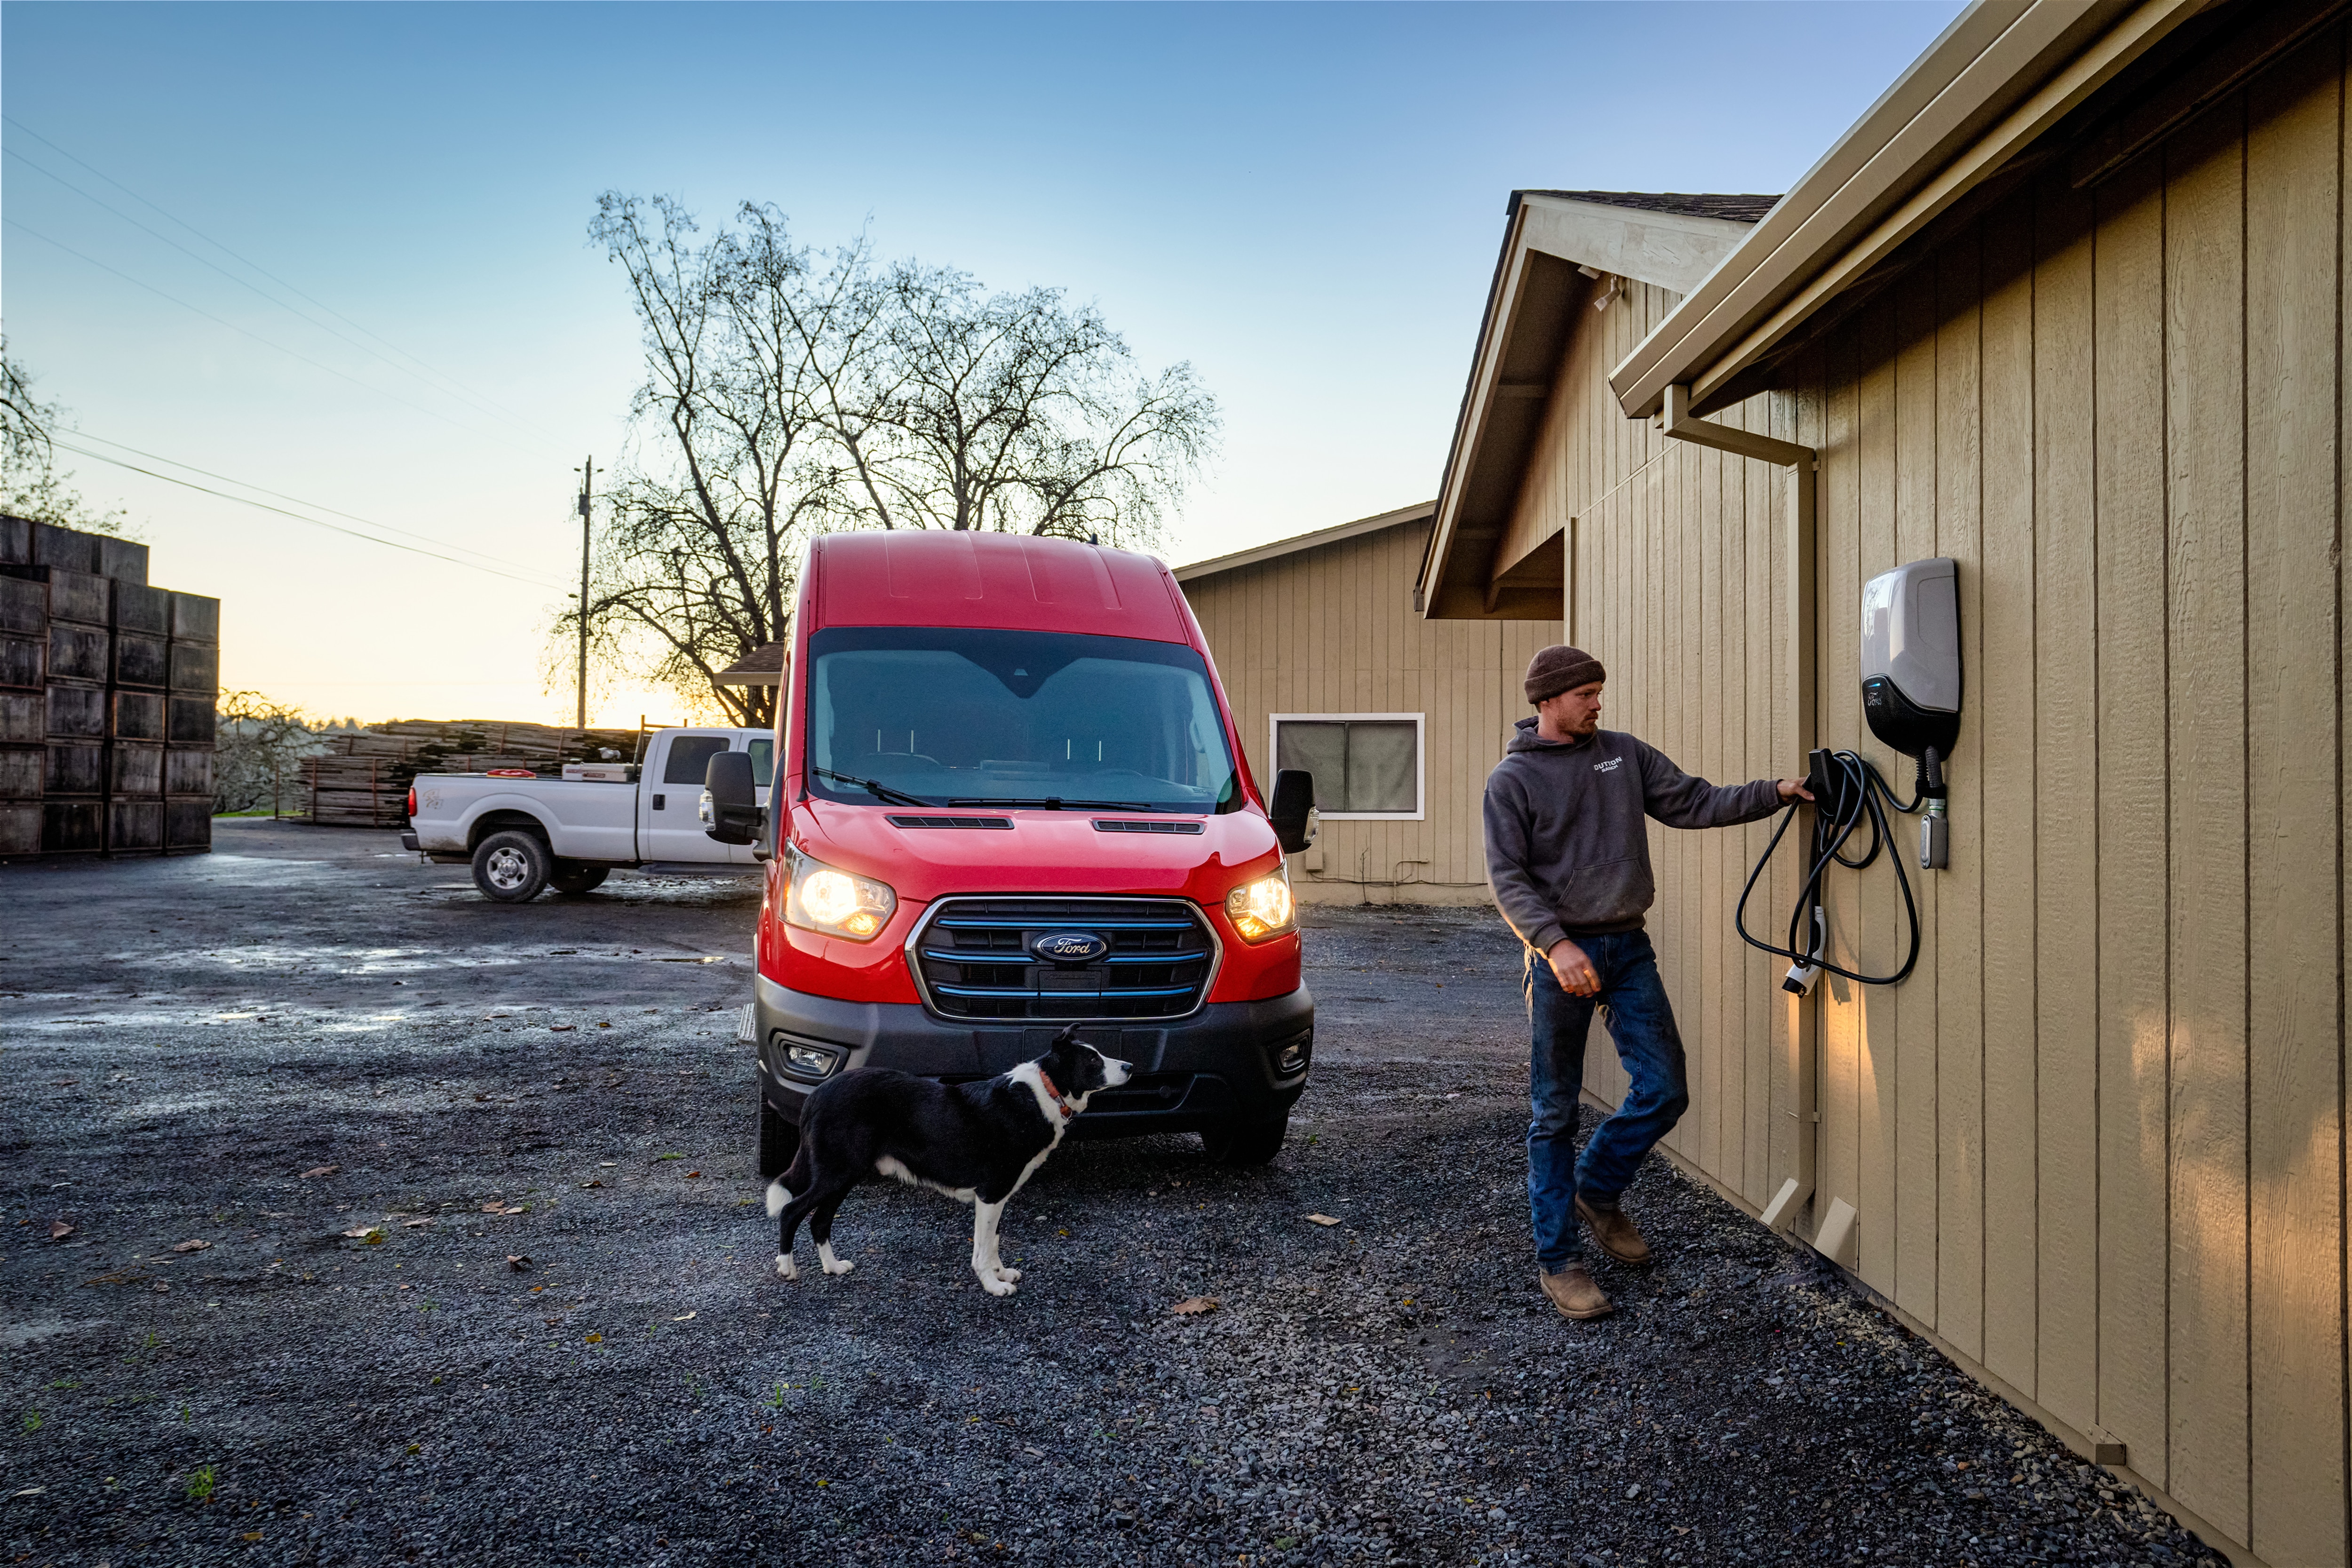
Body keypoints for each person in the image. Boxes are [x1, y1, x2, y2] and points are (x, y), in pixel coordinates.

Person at [1483, 645, 1812, 1321]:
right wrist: (1555, 945)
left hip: (1627, 946)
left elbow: (1695, 801)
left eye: (1598, 692)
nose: (1597, 704)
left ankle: (1597, 1189)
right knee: (1554, 1114)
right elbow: (1508, 879)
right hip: (1560, 959)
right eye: (1585, 694)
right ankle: (1561, 1261)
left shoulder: (1623, 755)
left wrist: (1775, 792)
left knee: (1666, 1086)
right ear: (1547, 701)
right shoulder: (1511, 781)